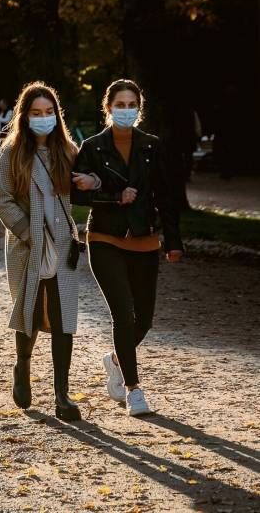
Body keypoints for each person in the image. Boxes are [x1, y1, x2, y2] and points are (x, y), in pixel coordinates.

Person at [71, 79, 183, 417]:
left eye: (131, 104)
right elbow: (75, 194)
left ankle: (117, 358)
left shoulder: (152, 146)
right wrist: (111, 194)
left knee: (144, 319)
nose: (126, 110)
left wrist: (172, 241)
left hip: (145, 239)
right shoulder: (91, 147)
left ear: (139, 108)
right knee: (123, 312)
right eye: (119, 105)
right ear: (108, 109)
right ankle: (133, 390)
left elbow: (166, 196)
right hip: (105, 237)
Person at [0, 82, 82, 421]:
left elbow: (80, 191)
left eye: (49, 113)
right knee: (28, 309)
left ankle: (62, 395)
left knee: (63, 318)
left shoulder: (68, 151)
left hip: (61, 245)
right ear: (25, 116)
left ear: (56, 116)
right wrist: (28, 232)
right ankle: (23, 366)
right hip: (27, 246)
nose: (44, 119)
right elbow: (1, 199)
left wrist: (95, 184)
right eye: (36, 113)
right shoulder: (11, 152)